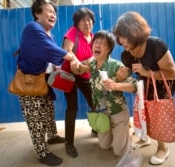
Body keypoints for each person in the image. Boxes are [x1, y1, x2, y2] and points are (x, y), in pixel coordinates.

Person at [17, 0, 79, 166]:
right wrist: (70, 56)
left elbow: (50, 58)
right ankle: (42, 152)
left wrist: (60, 67)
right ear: (37, 13)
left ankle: (51, 136)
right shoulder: (33, 28)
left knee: (47, 111)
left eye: (55, 13)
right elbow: (50, 51)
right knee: (36, 119)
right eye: (50, 11)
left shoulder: (47, 34)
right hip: (30, 83)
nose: (54, 15)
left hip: (43, 82)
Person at [113, 12, 175, 165]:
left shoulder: (156, 45)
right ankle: (146, 137)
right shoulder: (126, 55)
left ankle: (163, 148)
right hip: (145, 83)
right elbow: (131, 74)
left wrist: (146, 72)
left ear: (134, 31)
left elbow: (171, 73)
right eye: (119, 36)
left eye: (123, 35)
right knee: (145, 109)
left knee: (157, 113)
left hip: (164, 83)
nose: (121, 40)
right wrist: (121, 77)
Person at [78, 30, 137, 157]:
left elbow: (134, 86)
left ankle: (128, 131)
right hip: (102, 113)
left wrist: (116, 84)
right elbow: (80, 67)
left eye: (102, 43)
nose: (97, 45)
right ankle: (117, 135)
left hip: (118, 112)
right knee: (104, 146)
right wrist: (75, 63)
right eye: (96, 42)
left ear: (109, 48)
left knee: (119, 152)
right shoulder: (92, 63)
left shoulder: (116, 65)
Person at [61, 7, 95, 158]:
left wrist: (87, 65)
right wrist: (75, 61)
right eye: (83, 20)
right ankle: (69, 143)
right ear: (77, 23)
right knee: (72, 108)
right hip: (69, 74)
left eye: (89, 19)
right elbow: (66, 50)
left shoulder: (93, 37)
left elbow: (95, 56)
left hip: (85, 75)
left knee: (95, 101)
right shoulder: (73, 32)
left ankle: (96, 127)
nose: (87, 23)